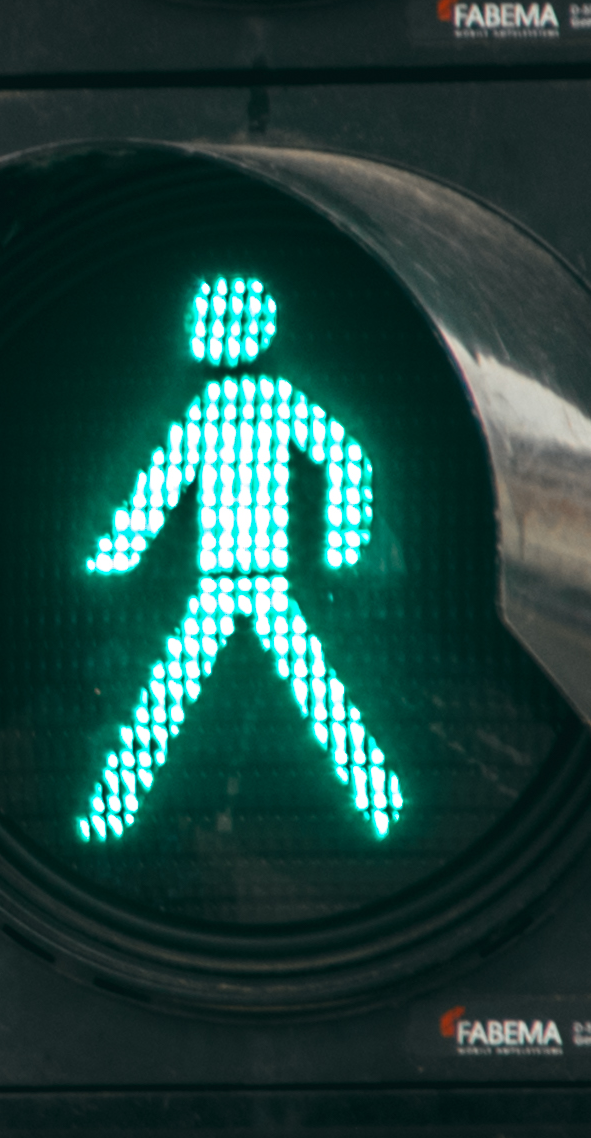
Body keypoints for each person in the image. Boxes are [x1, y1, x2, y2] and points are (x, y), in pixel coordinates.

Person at [74, 271, 407, 841]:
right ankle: (382, 804)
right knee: (316, 696)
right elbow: (346, 457)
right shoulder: (267, 402)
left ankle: (110, 814)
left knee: (168, 701)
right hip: (250, 579)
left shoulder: (225, 406)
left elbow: (160, 485)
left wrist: (118, 551)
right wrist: (343, 545)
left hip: (239, 579)